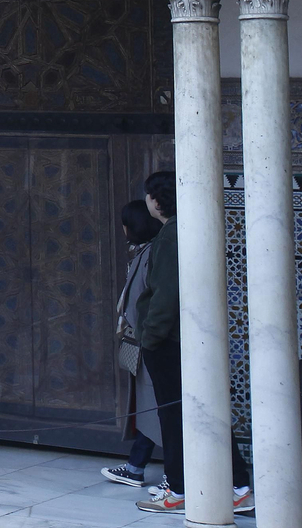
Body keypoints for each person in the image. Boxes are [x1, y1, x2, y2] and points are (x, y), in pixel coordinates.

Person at [134, 171, 256, 516]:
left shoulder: (172, 235)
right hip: (188, 338)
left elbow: (165, 294)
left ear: (157, 200)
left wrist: (151, 337)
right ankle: (236, 486)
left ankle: (181, 488)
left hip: (169, 341)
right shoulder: (182, 230)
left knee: (174, 416)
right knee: (203, 410)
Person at [104, 199, 163, 488]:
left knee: (157, 407)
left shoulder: (153, 254)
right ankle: (136, 465)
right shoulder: (142, 252)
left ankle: (165, 475)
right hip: (142, 343)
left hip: (151, 344)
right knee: (150, 406)